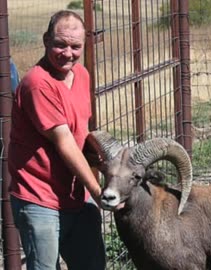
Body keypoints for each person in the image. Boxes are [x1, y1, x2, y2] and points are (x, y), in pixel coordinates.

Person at [8, 10, 106, 270]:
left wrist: (101, 161)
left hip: (74, 193)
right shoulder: (37, 84)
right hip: (39, 196)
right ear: (45, 41)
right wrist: (98, 192)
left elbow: (81, 130)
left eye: (75, 47)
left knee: (92, 264)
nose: (68, 53)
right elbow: (64, 142)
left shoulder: (81, 75)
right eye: (60, 44)